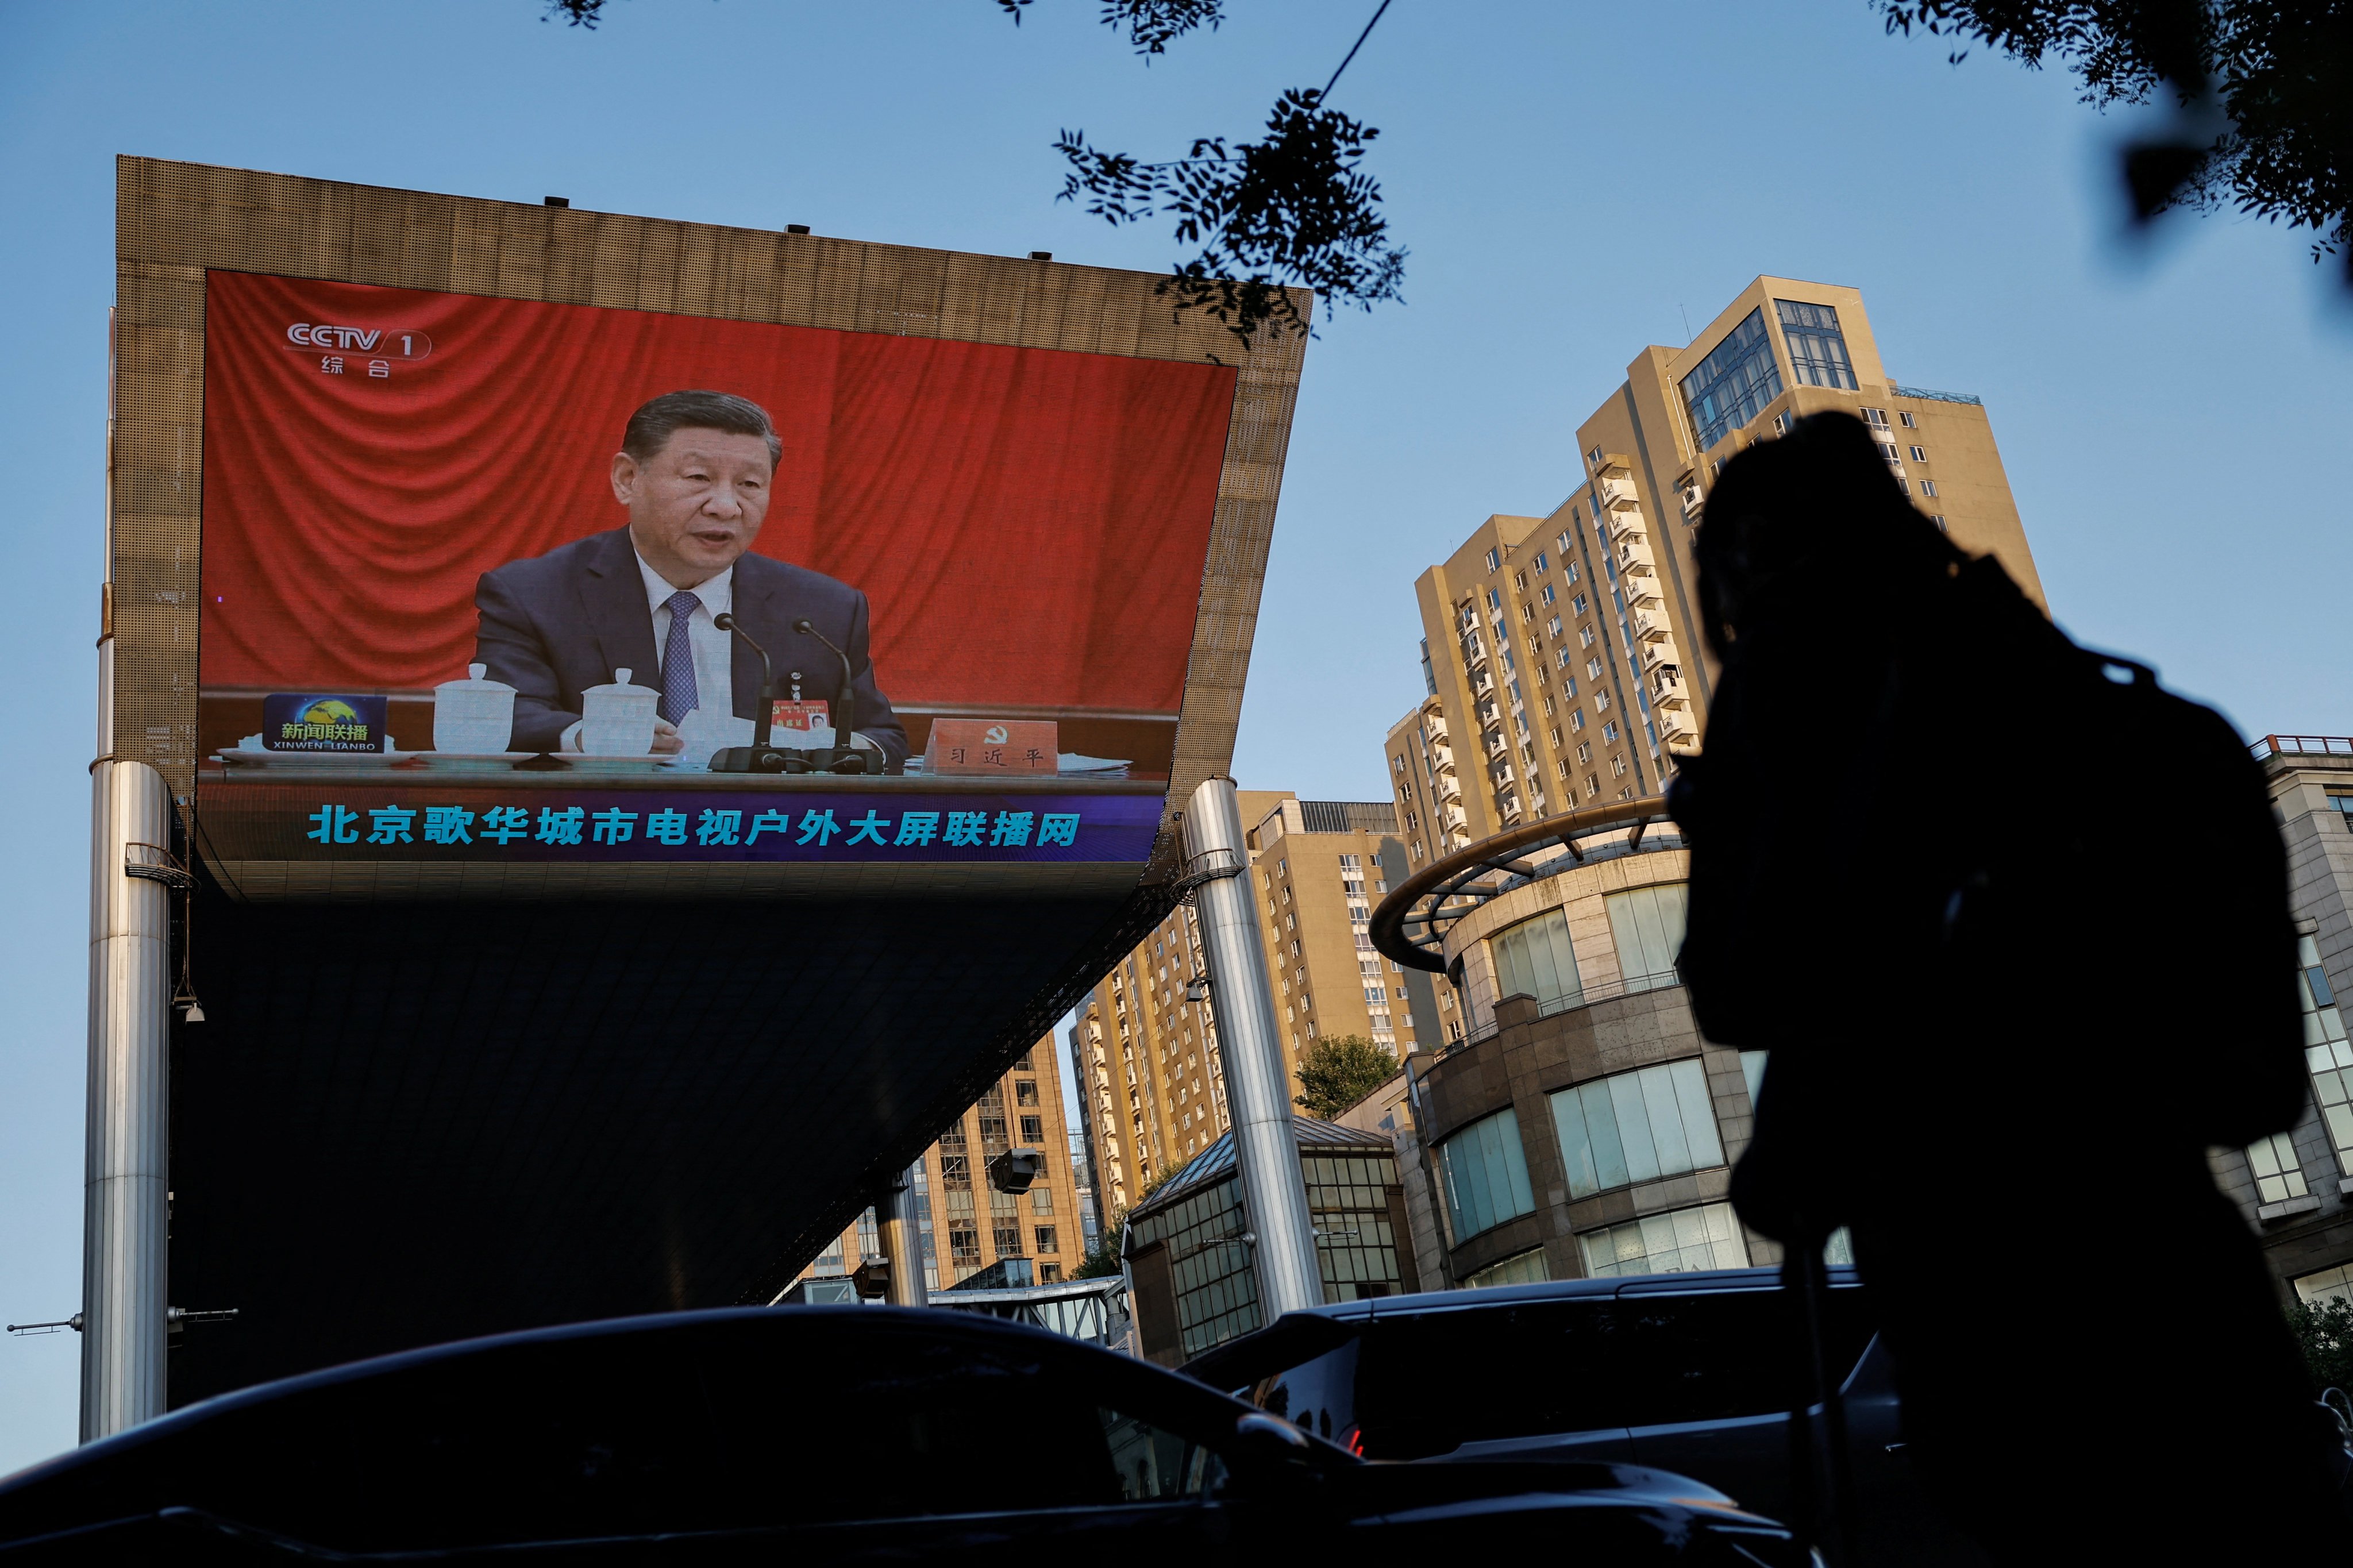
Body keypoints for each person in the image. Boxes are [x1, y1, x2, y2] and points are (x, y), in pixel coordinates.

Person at [1670, 411, 2348, 1560]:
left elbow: (2250, 1080)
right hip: (1995, 1402)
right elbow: (1735, 997)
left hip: (2167, 1374)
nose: (1766, 650)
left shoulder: (2132, 758)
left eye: (1789, 597)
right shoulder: (2140, 748)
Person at [475, 389, 907, 766]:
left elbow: (882, 737)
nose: (726, 506)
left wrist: (825, 749)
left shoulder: (823, 610)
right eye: (699, 478)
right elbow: (506, 711)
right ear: (627, 480)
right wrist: (594, 736)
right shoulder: (535, 593)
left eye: (750, 485)